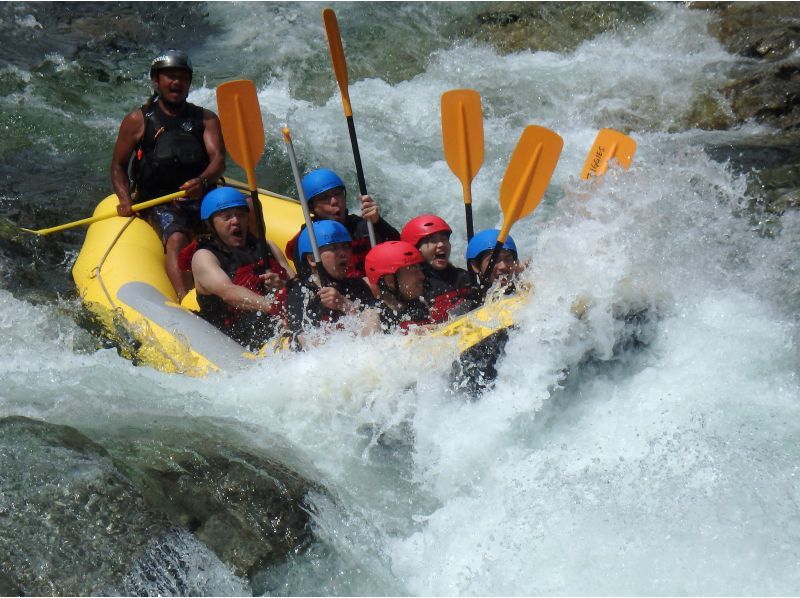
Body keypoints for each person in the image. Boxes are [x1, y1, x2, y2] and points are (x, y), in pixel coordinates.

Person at [110, 49, 225, 301]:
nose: (177, 82)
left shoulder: (205, 119)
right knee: (176, 237)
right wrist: (124, 199)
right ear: (156, 81)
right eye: (170, 76)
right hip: (160, 201)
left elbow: (218, 160)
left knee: (245, 208)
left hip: (201, 193)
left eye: (182, 77)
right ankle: (188, 300)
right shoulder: (137, 120)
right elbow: (118, 166)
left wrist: (203, 181)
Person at [191, 187, 294, 350]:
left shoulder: (267, 247)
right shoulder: (204, 257)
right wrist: (273, 307)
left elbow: (296, 285)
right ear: (210, 225)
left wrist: (282, 285)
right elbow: (229, 293)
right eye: (227, 217)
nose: (236, 221)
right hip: (230, 335)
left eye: (240, 215)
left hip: (268, 320)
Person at [285, 168, 400, 278]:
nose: (334, 201)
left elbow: (399, 251)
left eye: (337, 194)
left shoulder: (364, 227)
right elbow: (308, 281)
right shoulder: (307, 240)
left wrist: (378, 223)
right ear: (311, 207)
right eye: (324, 198)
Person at [285, 220, 377, 349]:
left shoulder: (357, 285)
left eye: (345, 246)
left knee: (371, 313)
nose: (342, 253)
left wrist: (345, 305)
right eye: (333, 248)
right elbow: (304, 340)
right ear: (312, 259)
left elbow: (375, 329)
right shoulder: (300, 293)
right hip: (322, 361)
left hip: (355, 356)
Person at [400, 214, 471, 322]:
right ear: (415, 250)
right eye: (433, 241)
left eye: (444, 239)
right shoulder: (415, 287)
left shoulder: (462, 277)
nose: (441, 244)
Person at [364, 241, 434, 333]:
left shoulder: (421, 303)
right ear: (390, 281)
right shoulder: (372, 316)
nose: (422, 276)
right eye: (413, 269)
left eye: (419, 269)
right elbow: (370, 346)